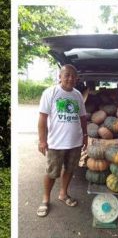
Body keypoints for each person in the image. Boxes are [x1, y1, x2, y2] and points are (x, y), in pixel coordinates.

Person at [37, 64, 88, 217]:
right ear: (60, 76)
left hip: (75, 142)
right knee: (52, 173)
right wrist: (42, 140)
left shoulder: (78, 95)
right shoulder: (50, 92)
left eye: (73, 76)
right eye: (67, 75)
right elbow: (42, 118)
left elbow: (83, 117)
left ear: (77, 78)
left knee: (70, 170)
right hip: (56, 143)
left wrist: (85, 136)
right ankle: (45, 199)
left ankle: (63, 194)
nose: (70, 78)